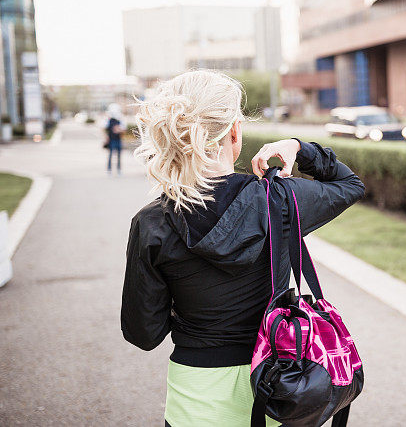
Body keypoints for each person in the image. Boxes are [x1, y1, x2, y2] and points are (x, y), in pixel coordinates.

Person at [121, 70, 365, 427]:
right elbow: (349, 184)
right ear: (234, 132)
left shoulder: (153, 222)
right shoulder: (281, 200)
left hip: (196, 399)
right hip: (280, 388)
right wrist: (300, 147)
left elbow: (143, 334)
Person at [105, 103, 125, 175]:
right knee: (110, 155)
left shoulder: (120, 120)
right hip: (111, 140)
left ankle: (118, 169)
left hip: (118, 139)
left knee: (119, 155)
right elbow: (104, 128)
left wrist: (118, 130)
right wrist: (106, 137)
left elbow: (123, 129)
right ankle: (109, 169)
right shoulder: (108, 120)